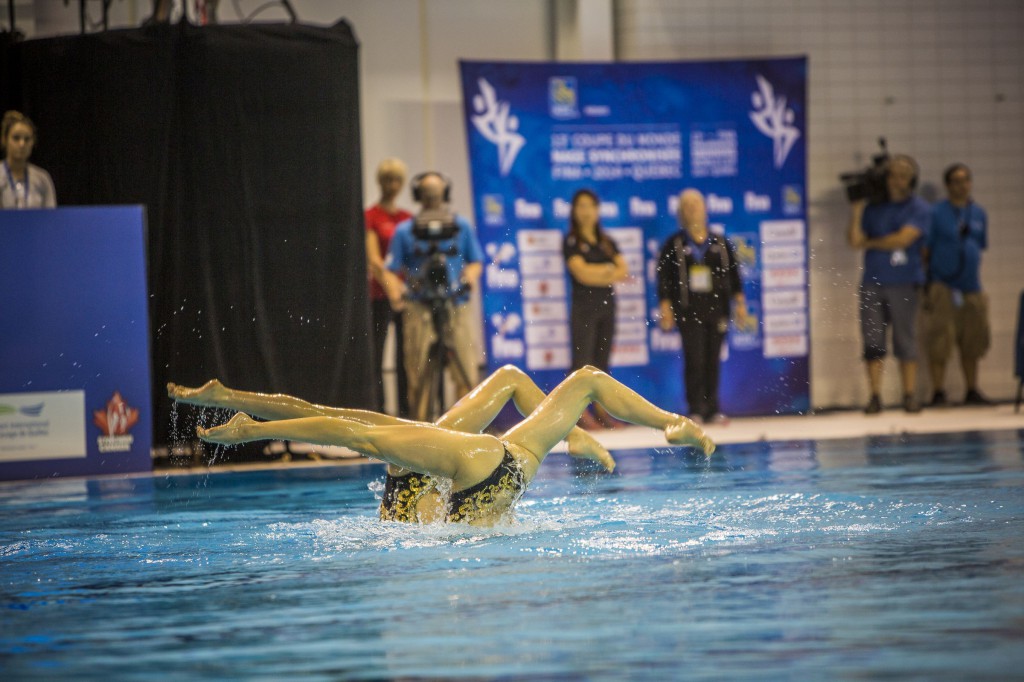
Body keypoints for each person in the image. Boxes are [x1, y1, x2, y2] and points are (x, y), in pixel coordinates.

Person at [177, 364, 716, 526]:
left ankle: (578, 436)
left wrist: (252, 431)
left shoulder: (413, 465)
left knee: (349, 424)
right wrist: (239, 410)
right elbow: (334, 423)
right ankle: (667, 423)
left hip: (490, 472)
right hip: (485, 470)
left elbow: (349, 433)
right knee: (578, 382)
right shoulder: (420, 461)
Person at [382, 171, 484, 422]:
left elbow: (476, 262)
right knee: (418, 373)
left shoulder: (461, 227)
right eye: (427, 194)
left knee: (466, 373)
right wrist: (396, 290)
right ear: (418, 195)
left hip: (455, 304)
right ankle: (421, 429)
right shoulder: (405, 231)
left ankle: (465, 428)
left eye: (436, 193)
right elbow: (390, 270)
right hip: (419, 306)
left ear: (445, 193)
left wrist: (468, 278)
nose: (432, 198)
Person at [657, 189, 749, 424]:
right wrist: (666, 308)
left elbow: (734, 276)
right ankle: (696, 408)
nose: (693, 209)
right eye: (687, 205)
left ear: (705, 209)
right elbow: (664, 280)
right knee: (694, 359)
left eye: (696, 204)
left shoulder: (720, 242)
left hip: (717, 310)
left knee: (713, 359)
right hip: (689, 311)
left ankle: (713, 408)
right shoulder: (674, 244)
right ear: (680, 212)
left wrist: (740, 305)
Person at [847, 154, 930, 414]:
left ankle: (909, 395)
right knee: (873, 341)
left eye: (903, 175)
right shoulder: (873, 208)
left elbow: (903, 239)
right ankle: (875, 396)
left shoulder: (919, 208)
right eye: (893, 175)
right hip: (873, 282)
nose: (897, 180)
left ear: (912, 179)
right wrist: (857, 209)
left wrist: (871, 243)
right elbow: (853, 240)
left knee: (906, 339)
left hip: (904, 282)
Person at [924, 163, 991, 406]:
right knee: (940, 340)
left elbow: (979, 246)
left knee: (973, 341)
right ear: (948, 185)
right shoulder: (936, 213)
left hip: (972, 287)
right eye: (956, 181)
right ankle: (938, 392)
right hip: (943, 286)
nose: (962, 185)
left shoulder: (979, 213)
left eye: (966, 180)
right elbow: (926, 249)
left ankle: (972, 389)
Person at [562, 189, 629, 429]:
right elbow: (581, 273)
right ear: (574, 211)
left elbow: (623, 271)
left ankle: (601, 411)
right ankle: (577, 414)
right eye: (581, 206)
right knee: (581, 363)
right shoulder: (571, 241)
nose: (586, 211)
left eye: (590, 205)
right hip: (584, 308)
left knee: (602, 363)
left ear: (597, 210)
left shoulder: (607, 242)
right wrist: (607, 272)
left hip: (606, 307)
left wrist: (598, 272)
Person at [365, 158, 413, 417]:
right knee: (377, 355)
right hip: (380, 296)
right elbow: (374, 260)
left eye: (397, 180)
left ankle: (407, 413)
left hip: (406, 297)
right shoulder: (372, 216)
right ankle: (379, 411)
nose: (393, 185)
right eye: (388, 180)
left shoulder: (407, 218)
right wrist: (391, 287)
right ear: (380, 182)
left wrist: (404, 290)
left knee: (406, 357)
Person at [0, 111, 56, 209]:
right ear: (4, 140)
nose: (22, 144)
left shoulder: (42, 178)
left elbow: (51, 217)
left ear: (33, 142)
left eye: (27, 139)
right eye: (16, 138)